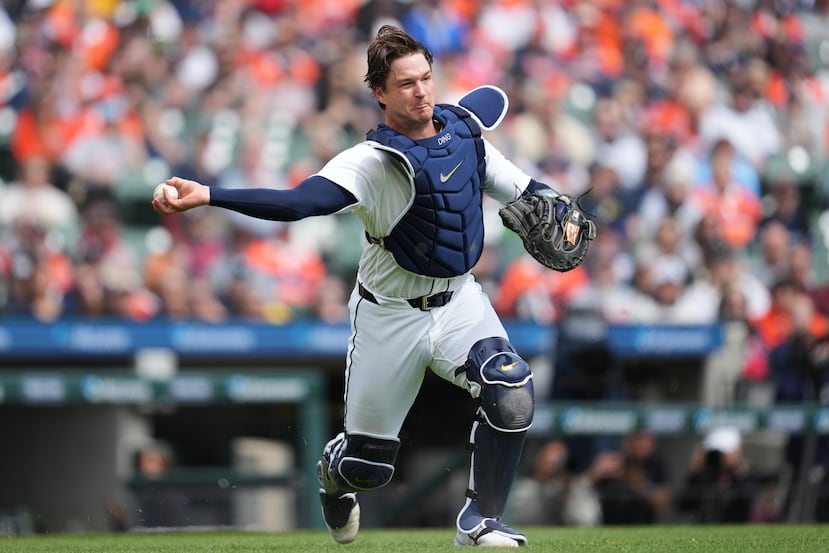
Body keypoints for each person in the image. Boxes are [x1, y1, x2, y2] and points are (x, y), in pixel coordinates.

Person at [152, 25, 586, 547]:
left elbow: (526, 190)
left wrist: (553, 204)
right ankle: (334, 474)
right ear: (379, 92)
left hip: (458, 300)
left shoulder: (466, 136)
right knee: (368, 467)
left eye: (426, 78)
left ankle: (481, 520)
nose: (421, 91)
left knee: (511, 388)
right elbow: (298, 204)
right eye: (406, 83)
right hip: (389, 315)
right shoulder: (371, 162)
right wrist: (208, 194)